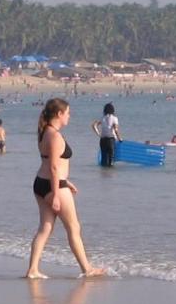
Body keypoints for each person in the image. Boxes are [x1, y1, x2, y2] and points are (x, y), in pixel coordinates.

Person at [26, 98, 105, 279]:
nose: (69, 116)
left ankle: (32, 270)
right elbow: (54, 166)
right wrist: (55, 194)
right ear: (59, 114)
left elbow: (50, 163)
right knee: (74, 227)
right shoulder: (54, 136)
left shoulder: (45, 132)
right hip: (54, 186)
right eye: (68, 113)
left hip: (41, 183)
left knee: (45, 228)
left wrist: (65, 182)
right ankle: (87, 269)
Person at [91, 102, 120, 167]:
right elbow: (116, 130)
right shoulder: (114, 118)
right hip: (111, 140)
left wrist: (99, 134)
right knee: (111, 159)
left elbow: (93, 125)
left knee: (104, 158)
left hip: (103, 140)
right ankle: (110, 174)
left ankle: (103, 174)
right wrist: (119, 138)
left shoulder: (102, 118)